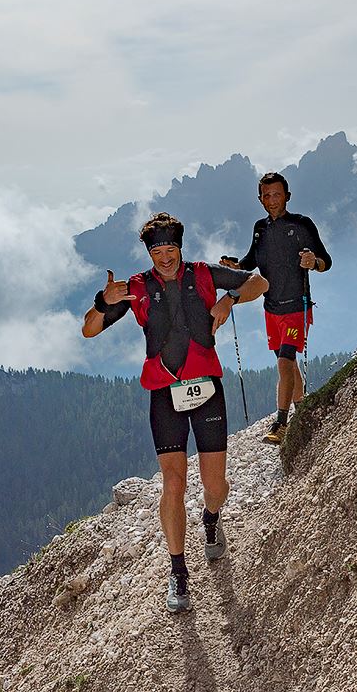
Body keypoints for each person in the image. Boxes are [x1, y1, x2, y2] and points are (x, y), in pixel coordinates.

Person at [82, 212, 267, 613]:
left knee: (215, 485)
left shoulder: (202, 274)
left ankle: (212, 516)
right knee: (173, 482)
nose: (165, 258)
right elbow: (90, 329)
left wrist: (229, 298)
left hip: (207, 390)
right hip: (164, 393)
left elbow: (260, 281)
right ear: (149, 253)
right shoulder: (135, 287)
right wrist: (102, 301)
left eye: (170, 250)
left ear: (180, 248)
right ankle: (178, 572)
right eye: (157, 252)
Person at [220, 172, 331, 445]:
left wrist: (312, 262)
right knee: (289, 365)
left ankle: (281, 424)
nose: (272, 200)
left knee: (284, 361)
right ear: (260, 199)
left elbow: (326, 261)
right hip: (271, 308)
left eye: (277, 194)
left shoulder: (302, 224)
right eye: (266, 195)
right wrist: (236, 267)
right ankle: (303, 411)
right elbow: (251, 262)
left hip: (296, 305)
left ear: (287, 196)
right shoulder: (260, 229)